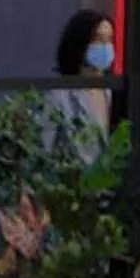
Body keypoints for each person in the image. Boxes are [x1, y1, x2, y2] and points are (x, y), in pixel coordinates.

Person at [48, 9, 116, 163]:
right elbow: (42, 150)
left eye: (110, 40)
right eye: (99, 40)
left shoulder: (111, 91)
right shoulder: (59, 95)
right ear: (80, 43)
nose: (106, 47)